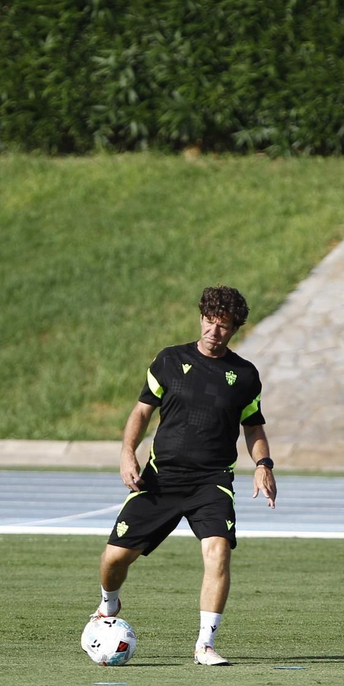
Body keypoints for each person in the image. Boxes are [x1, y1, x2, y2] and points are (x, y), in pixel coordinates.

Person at [91, 285, 277, 666]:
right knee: (113, 559)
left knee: (218, 551)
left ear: (235, 329)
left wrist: (263, 465)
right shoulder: (169, 360)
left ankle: (204, 645)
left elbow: (254, 427)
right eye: (209, 322)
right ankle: (109, 604)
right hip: (161, 478)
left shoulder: (244, 376)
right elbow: (141, 412)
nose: (214, 331)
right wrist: (128, 453)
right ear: (201, 318)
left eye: (223, 326)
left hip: (212, 481)